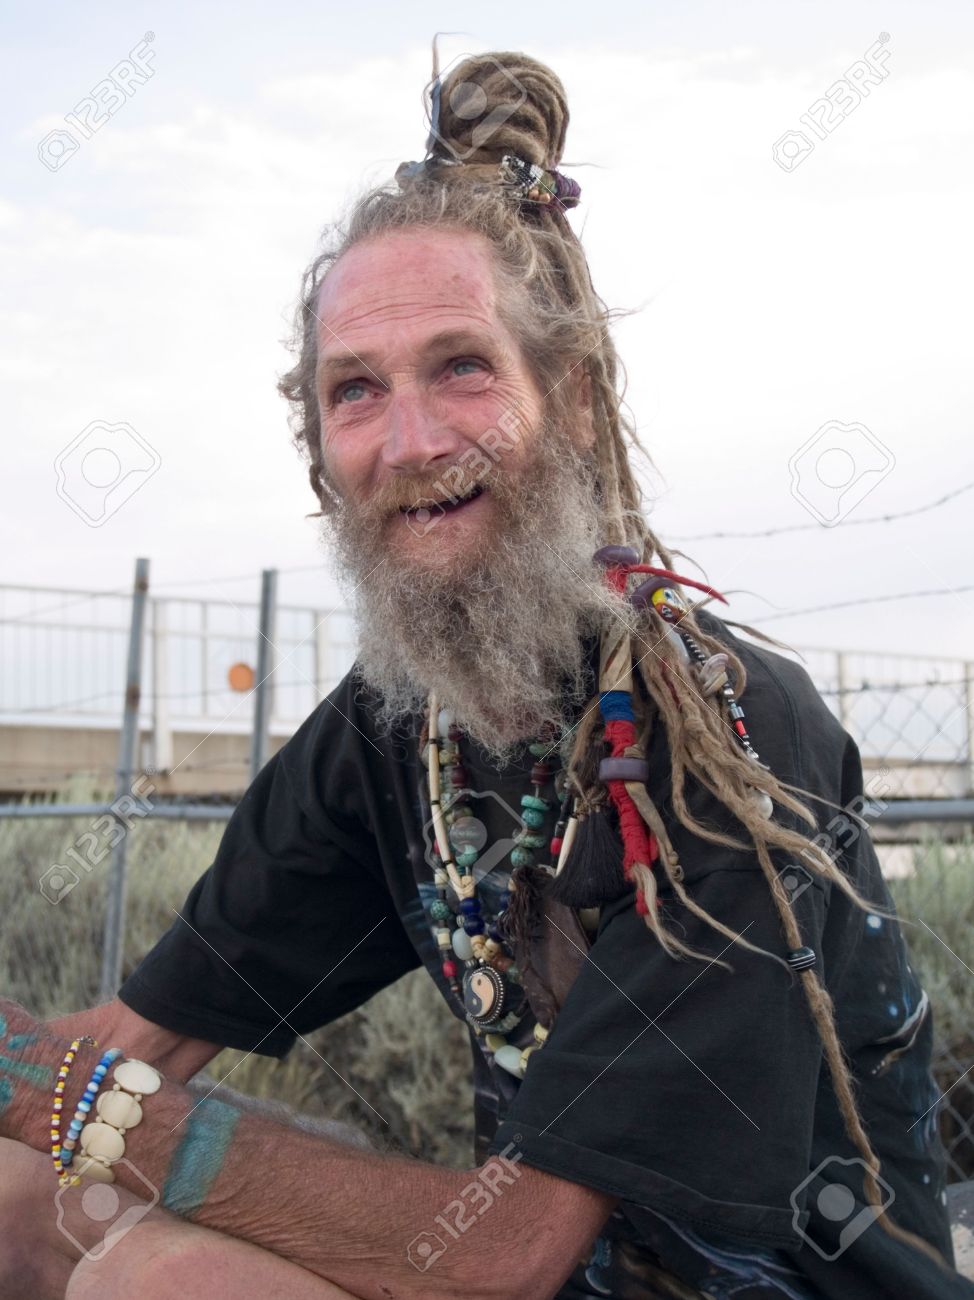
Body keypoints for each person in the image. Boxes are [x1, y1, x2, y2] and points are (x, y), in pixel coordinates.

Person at [1, 48, 971, 1300]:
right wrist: (45, 1088)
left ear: (567, 400)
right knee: (33, 1194)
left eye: (460, 366)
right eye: (356, 391)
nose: (411, 443)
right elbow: (134, 1043)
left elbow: (500, 1254)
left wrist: (86, 1110)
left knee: (160, 1275)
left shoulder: (720, 730)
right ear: (320, 454)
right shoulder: (392, 730)